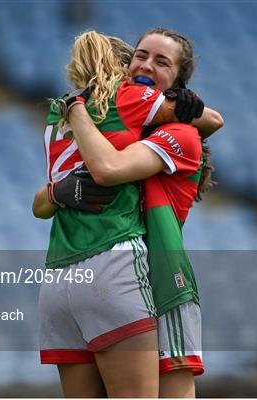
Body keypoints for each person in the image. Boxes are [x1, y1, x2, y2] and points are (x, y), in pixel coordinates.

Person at [34, 28, 223, 397]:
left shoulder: (179, 135)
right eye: (140, 55)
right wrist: (58, 192)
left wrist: (75, 108)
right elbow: (43, 200)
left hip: (162, 281)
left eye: (162, 61)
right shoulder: (126, 118)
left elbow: (108, 167)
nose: (146, 65)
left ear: (177, 83)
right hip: (125, 277)